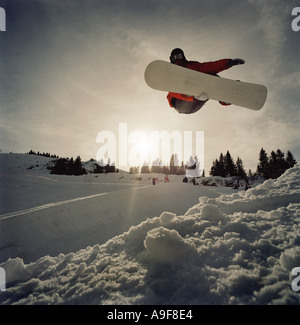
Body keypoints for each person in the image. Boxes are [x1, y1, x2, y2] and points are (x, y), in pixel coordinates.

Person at [167, 48, 245, 114]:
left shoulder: (192, 66)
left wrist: (227, 63)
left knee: (210, 77)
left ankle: (226, 96)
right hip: (181, 104)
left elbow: (209, 67)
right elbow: (172, 91)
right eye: (174, 58)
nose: (177, 59)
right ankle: (191, 94)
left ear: (183, 57)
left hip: (198, 99)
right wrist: (190, 96)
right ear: (171, 59)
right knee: (186, 87)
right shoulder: (171, 72)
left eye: (179, 56)